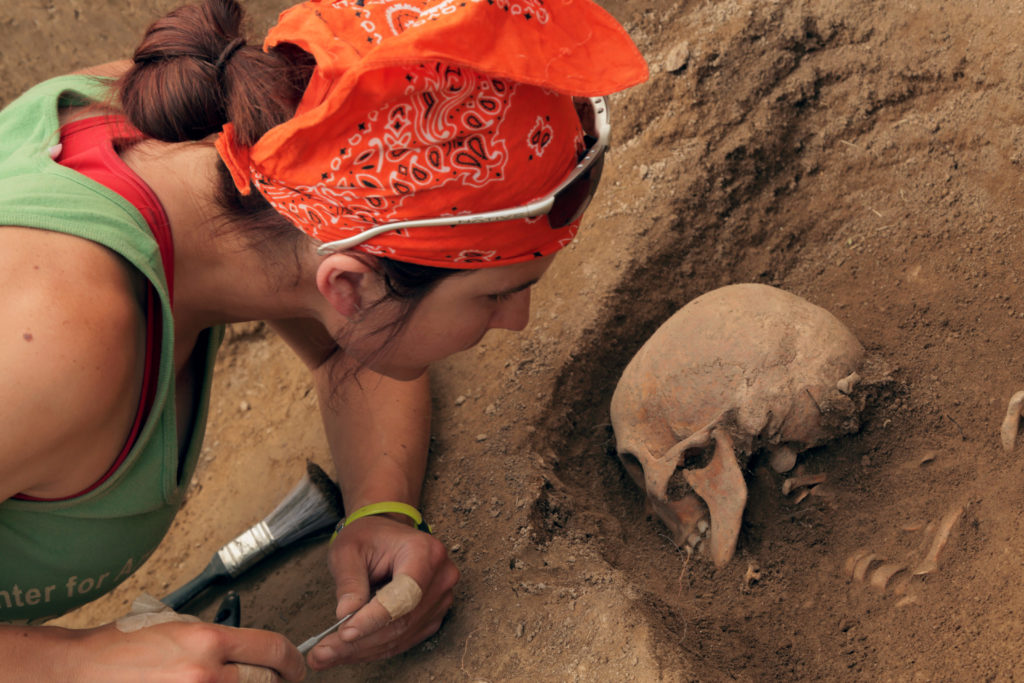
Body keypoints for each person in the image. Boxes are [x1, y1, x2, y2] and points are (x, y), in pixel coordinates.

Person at [0, 0, 647, 678]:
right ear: (349, 284)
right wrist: (76, 666)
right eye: (494, 293)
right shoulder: (54, 340)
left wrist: (380, 505)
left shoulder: (223, 135)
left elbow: (355, 345)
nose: (517, 319)